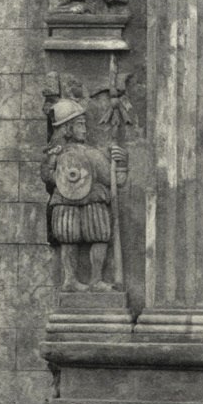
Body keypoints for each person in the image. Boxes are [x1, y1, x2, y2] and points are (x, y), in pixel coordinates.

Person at [41, 87, 128, 291]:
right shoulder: (56, 152)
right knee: (68, 237)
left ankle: (96, 279)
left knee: (99, 235)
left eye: (83, 124)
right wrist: (58, 173)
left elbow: (115, 180)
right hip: (65, 202)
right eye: (79, 124)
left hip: (93, 201)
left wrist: (122, 163)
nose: (84, 128)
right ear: (67, 128)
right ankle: (70, 280)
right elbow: (47, 175)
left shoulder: (93, 154)